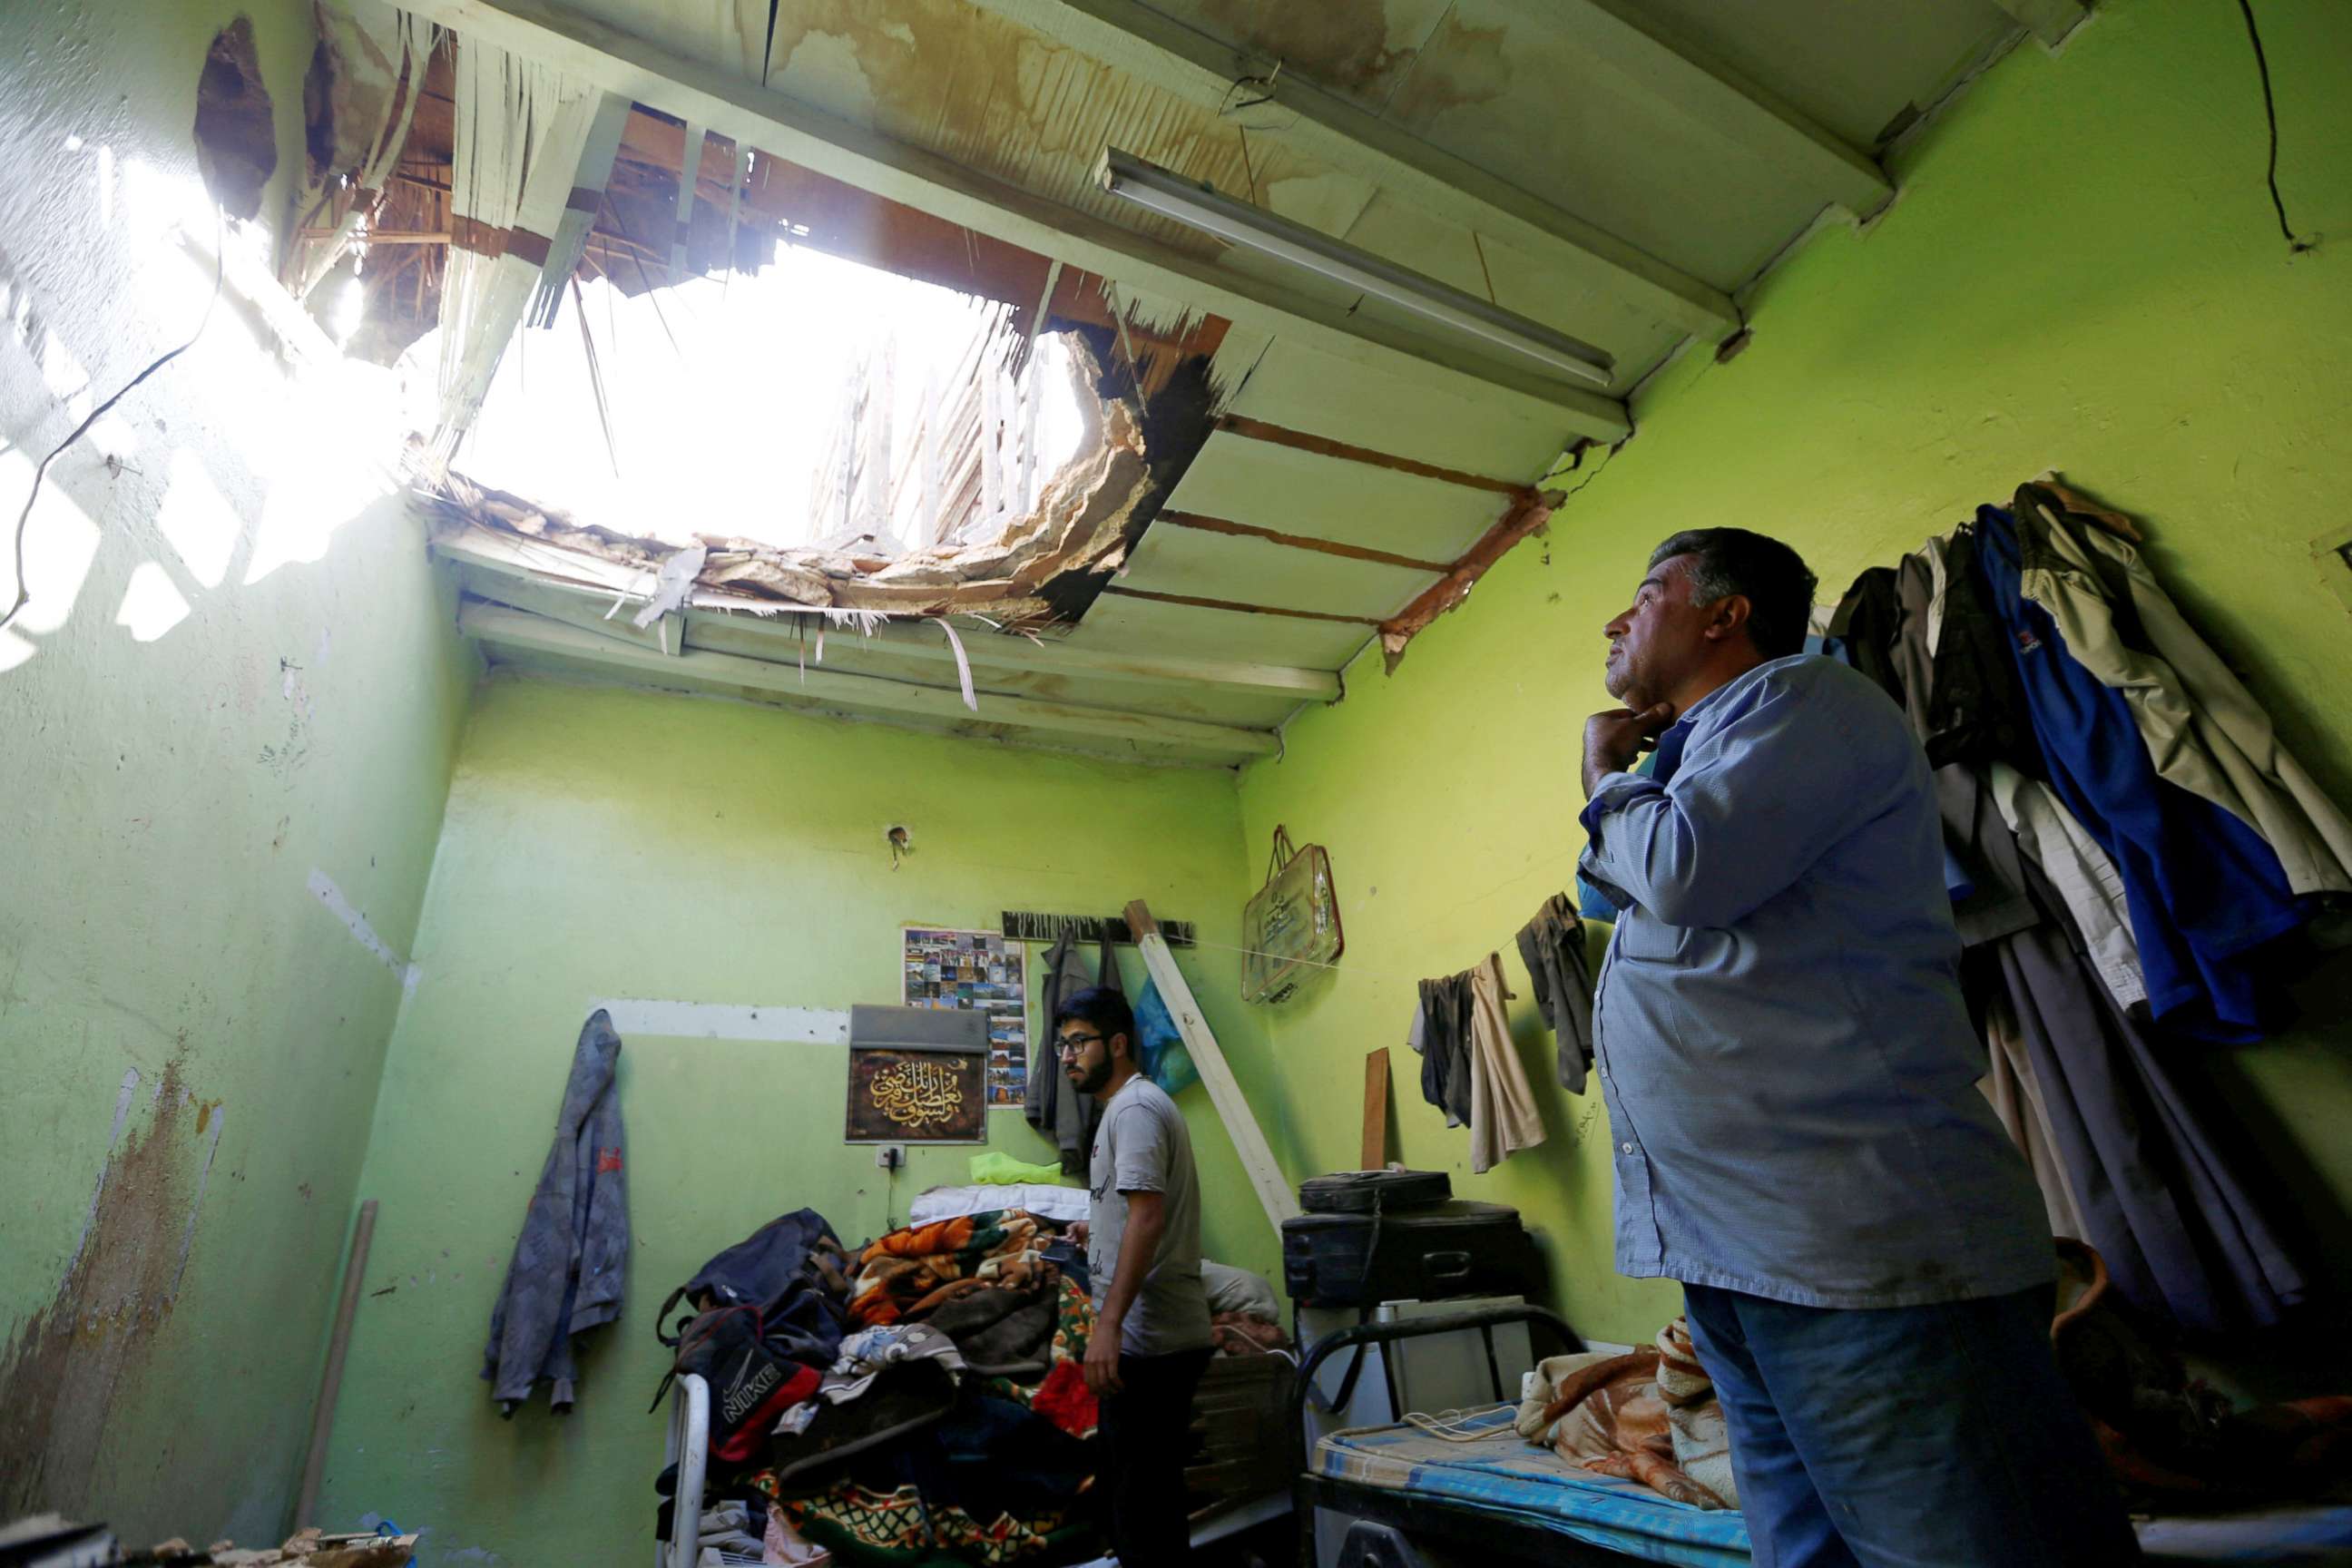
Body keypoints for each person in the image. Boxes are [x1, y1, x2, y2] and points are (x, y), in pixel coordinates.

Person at [1578, 528, 2139, 1567]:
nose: (1616, 620)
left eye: (1645, 592)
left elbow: (1681, 871)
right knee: (1809, 1553)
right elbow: (1620, 883)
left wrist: (1601, 769)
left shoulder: (1801, 700)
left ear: (1725, 613)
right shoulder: (1703, 760)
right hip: (1741, 1259)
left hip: (1857, 1254)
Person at [1054, 985, 1211, 1568]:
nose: (1068, 1055)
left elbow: (1149, 1215)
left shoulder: (1136, 1110)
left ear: (1117, 1044)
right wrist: (1096, 1232)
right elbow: (1134, 1216)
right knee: (1139, 1504)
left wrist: (1108, 1326)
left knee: (1144, 1516)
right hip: (1148, 1336)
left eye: (1079, 1042)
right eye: (1062, 1045)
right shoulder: (1124, 1110)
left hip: (1153, 1339)